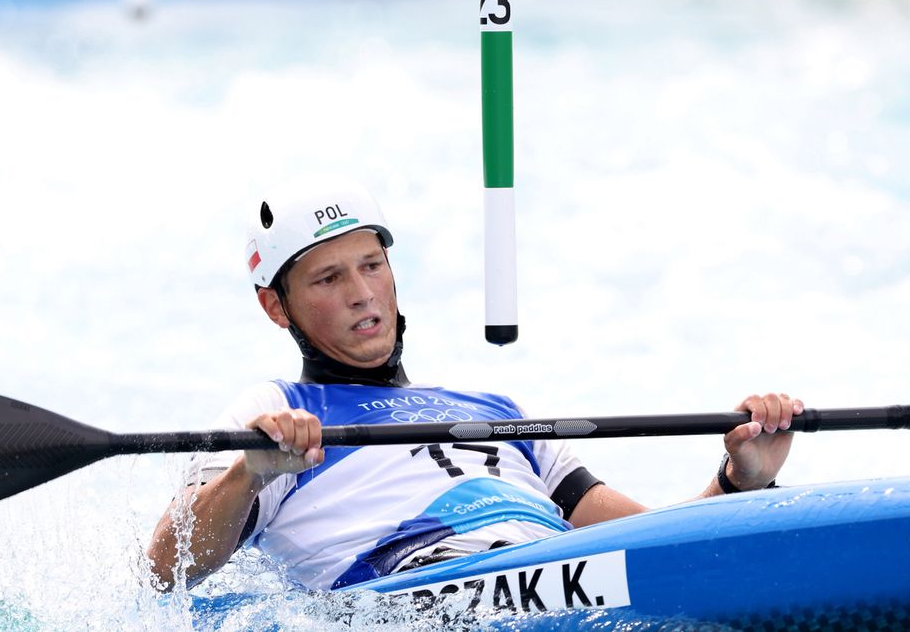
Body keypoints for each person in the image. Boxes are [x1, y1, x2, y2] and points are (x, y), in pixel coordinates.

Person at [147, 187, 801, 592]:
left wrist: (741, 480)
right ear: (276, 306)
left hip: (555, 569)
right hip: (413, 591)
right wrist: (249, 475)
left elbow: (652, 546)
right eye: (328, 278)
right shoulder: (275, 413)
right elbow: (166, 568)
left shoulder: (497, 410)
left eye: (372, 265)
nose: (362, 293)